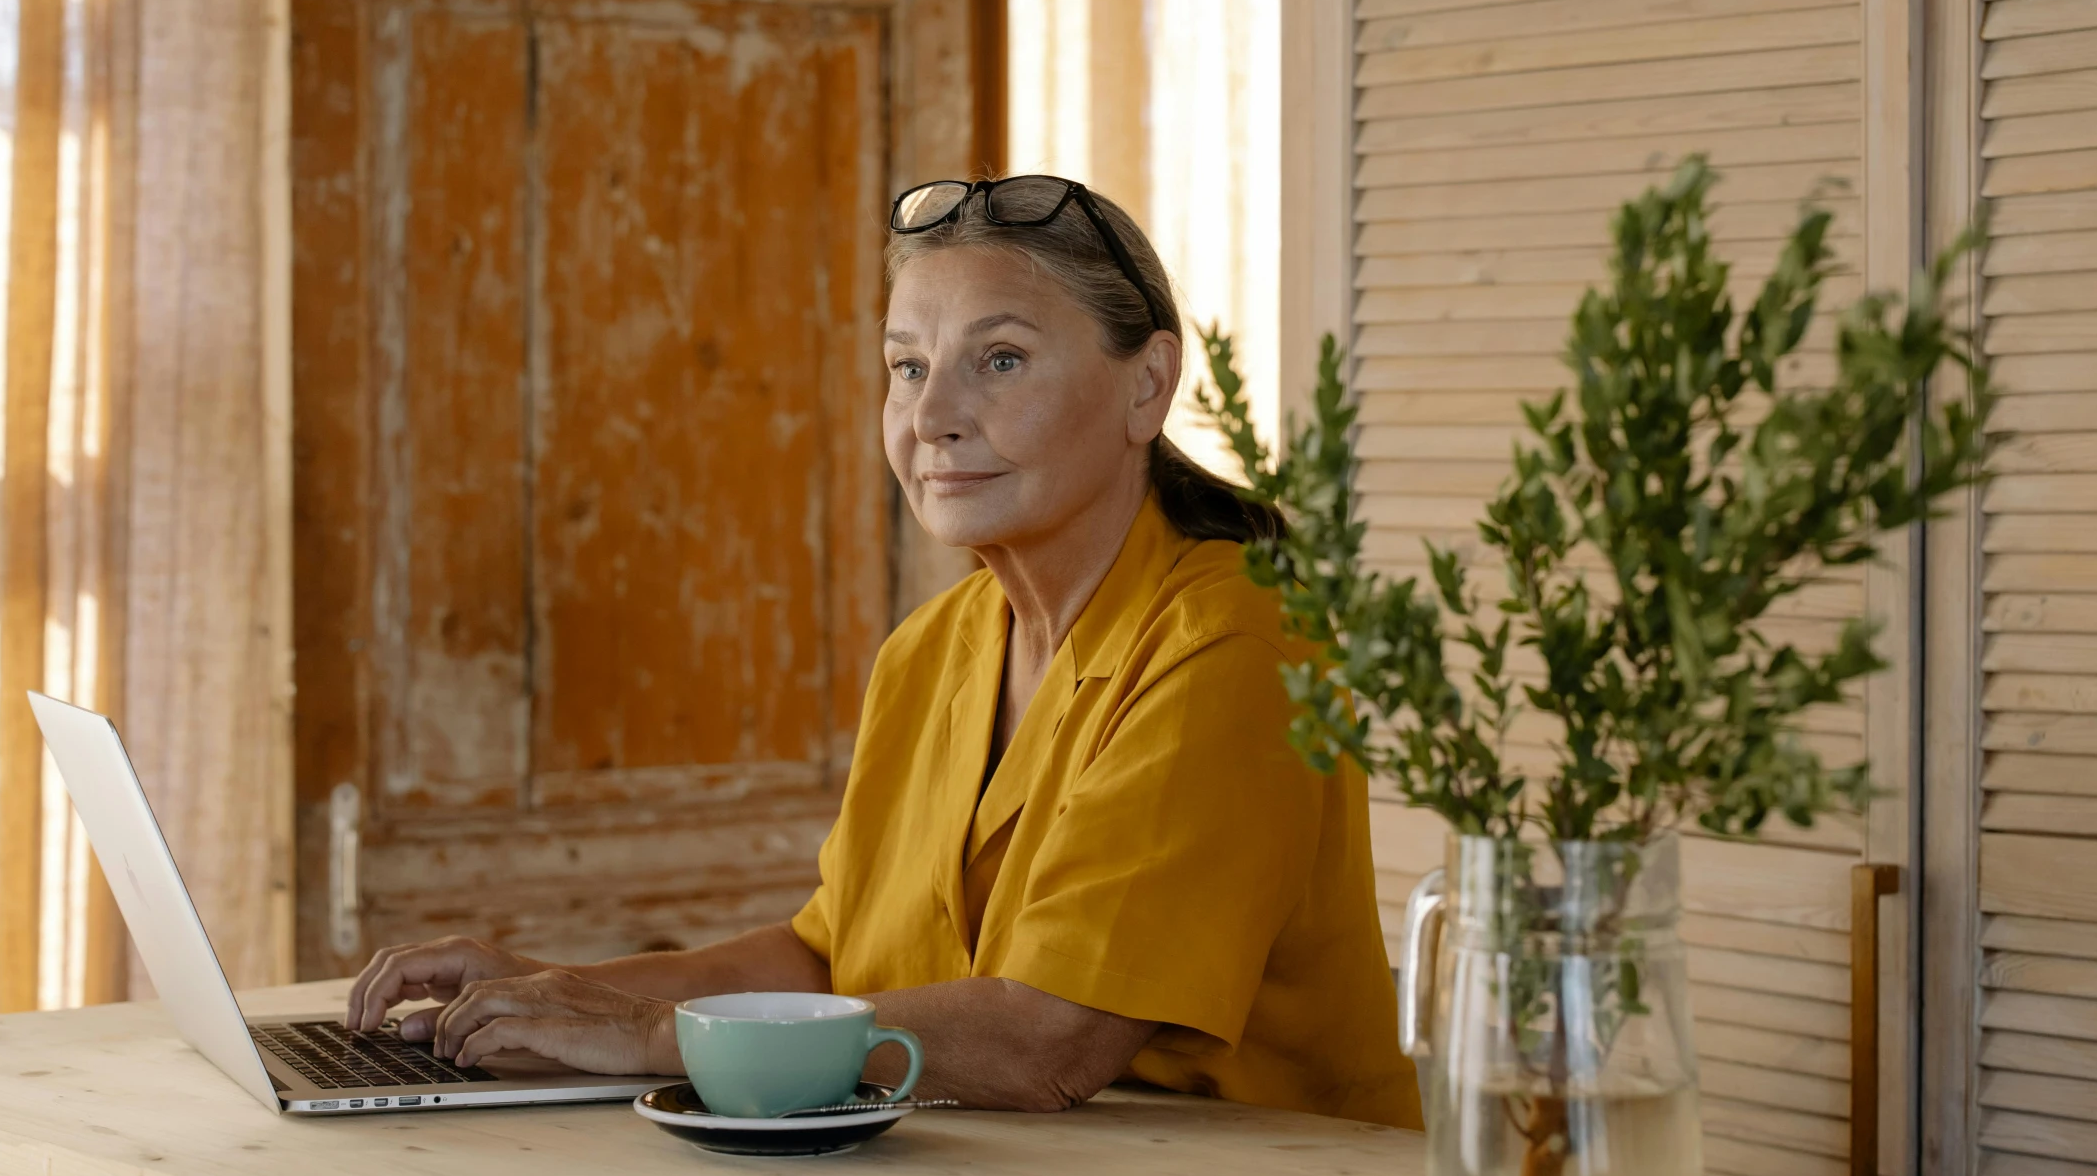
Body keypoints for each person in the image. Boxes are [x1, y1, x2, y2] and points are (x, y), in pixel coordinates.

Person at [346, 174, 1422, 1126]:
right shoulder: (934, 649)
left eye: (999, 359)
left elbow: (1047, 1042)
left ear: (1147, 385)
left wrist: (650, 1036)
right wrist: (543, 991)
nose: (935, 415)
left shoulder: (1238, 642)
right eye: (906, 367)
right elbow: (824, 955)